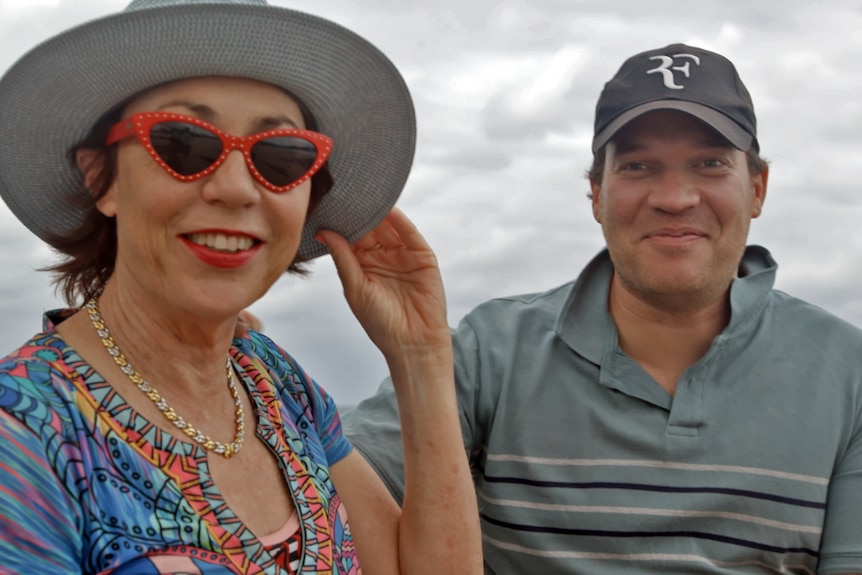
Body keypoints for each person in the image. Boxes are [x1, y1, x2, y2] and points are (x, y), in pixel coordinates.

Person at [0, 1, 482, 573]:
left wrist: (421, 354)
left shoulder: (274, 381)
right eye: (182, 143)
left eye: (281, 155)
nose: (236, 190)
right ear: (101, 178)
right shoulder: (25, 435)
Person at [343, 43, 862, 574]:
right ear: (596, 193)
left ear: (757, 188)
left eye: (709, 164)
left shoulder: (850, 374)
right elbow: (321, 504)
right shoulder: (488, 353)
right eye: (639, 165)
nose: (676, 197)